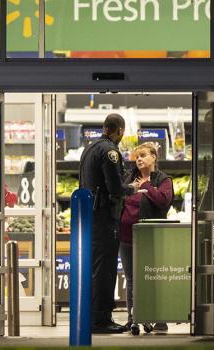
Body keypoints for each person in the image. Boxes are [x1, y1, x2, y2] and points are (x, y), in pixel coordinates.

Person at [79, 113, 140, 334]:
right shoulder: (111, 152)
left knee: (95, 268)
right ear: (120, 131)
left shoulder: (90, 148)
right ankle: (101, 320)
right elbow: (115, 188)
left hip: (90, 217)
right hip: (105, 218)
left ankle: (94, 316)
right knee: (105, 271)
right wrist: (133, 188)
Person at [119, 142, 174, 334]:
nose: (139, 159)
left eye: (143, 155)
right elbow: (119, 200)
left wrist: (147, 186)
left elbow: (162, 200)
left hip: (151, 236)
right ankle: (132, 319)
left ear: (154, 157)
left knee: (153, 277)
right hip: (126, 237)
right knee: (132, 279)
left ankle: (159, 319)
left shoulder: (163, 180)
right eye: (137, 157)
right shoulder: (129, 179)